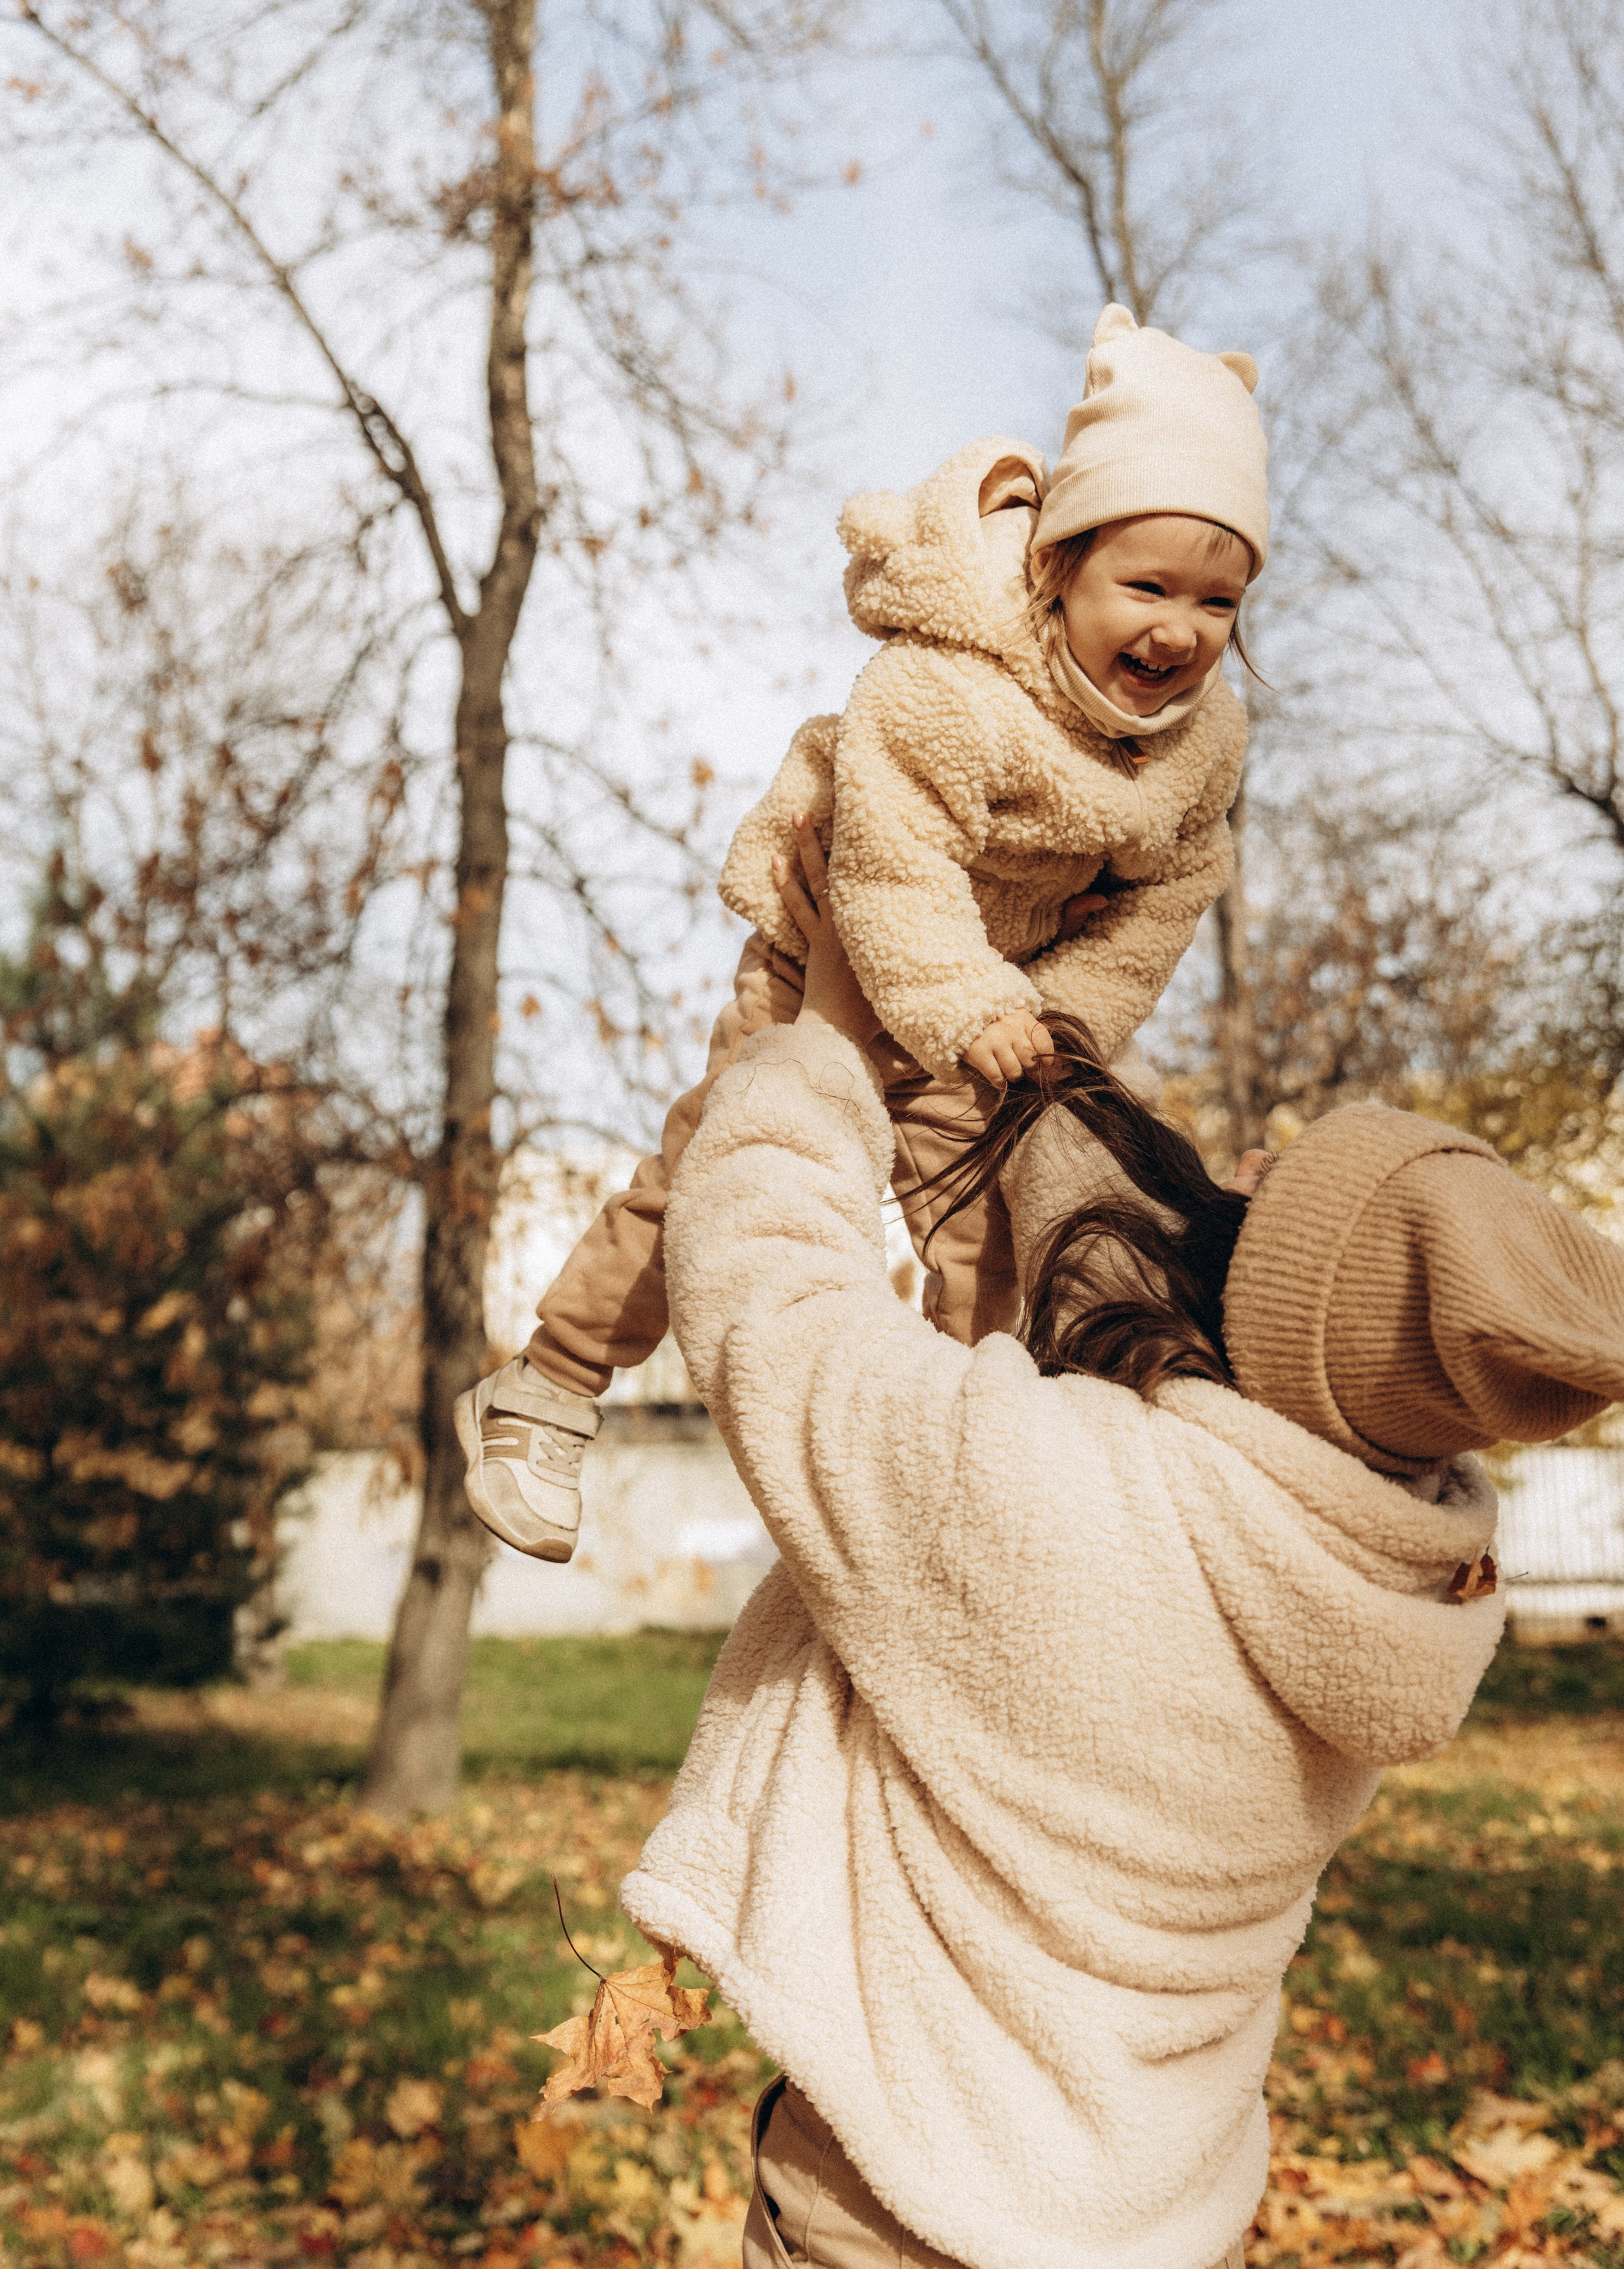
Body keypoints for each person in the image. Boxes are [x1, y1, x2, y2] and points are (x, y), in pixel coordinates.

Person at [615, 820, 1624, 2269]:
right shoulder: (1372, 1580)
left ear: (1265, 1301)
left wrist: (819, 1037)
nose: (1232, 1179)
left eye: (1265, 1202)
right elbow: (1130, 1284)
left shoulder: (1054, 1506)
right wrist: (1010, 1016)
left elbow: (770, 1301)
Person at [455, 301, 1270, 1563]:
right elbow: (888, 868)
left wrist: (1057, 1018)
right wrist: (967, 1002)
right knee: (712, 1174)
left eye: (1218, 601)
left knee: (998, 1232)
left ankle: (973, 1463)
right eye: (1147, 586)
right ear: (1057, 568)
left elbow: (1170, 899)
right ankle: (549, 1384)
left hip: (998, 1008)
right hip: (830, 963)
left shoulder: (1200, 745)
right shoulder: (945, 685)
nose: (1180, 629)